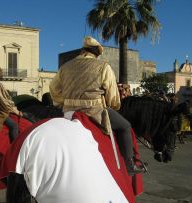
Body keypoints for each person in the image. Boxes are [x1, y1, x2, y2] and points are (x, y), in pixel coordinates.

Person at [49, 36, 145, 175]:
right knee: (125, 126)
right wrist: (114, 104)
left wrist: (63, 102)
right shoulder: (103, 66)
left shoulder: (65, 67)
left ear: (83, 50)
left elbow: (54, 89)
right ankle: (130, 165)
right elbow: (112, 95)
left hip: (69, 112)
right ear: (97, 53)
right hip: (95, 111)